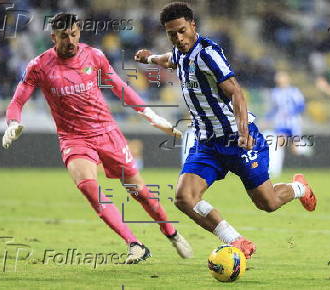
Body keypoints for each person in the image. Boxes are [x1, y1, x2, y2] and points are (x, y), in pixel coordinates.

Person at [2, 13, 192, 264]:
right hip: (74, 139)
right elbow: (17, 100)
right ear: (53, 37)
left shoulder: (94, 56)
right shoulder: (39, 66)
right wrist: (13, 122)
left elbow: (119, 87)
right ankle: (135, 244)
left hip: (107, 133)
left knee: (140, 192)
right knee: (90, 189)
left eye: (73, 34)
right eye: (63, 36)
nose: (70, 40)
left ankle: (171, 232)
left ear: (79, 32)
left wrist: (150, 115)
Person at [135, 2, 317, 259]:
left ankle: (299, 188)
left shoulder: (208, 54)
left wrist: (243, 131)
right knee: (184, 198)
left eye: (182, 31)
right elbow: (169, 60)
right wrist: (149, 58)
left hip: (237, 138)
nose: (178, 38)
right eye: (171, 34)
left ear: (193, 26)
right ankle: (237, 241)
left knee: (268, 203)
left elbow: (236, 91)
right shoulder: (180, 52)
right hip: (207, 142)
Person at [265, 71, 306, 177]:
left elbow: (301, 106)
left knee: (295, 149)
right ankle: (275, 170)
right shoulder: (275, 92)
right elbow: (274, 108)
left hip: (293, 123)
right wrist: (267, 119)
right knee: (278, 143)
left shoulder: (294, 91)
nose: (279, 79)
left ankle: (306, 149)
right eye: (278, 77)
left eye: (281, 77)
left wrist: (291, 112)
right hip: (281, 123)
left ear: (287, 79)